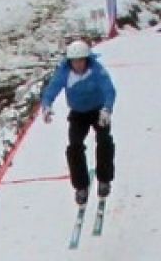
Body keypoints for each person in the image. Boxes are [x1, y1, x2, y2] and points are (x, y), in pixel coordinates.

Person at [40, 40, 117, 205]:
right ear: (70, 61)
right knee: (74, 147)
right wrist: (46, 106)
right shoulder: (64, 72)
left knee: (104, 141)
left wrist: (107, 109)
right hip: (78, 113)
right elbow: (51, 90)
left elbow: (109, 89)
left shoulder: (97, 70)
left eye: (82, 60)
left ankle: (104, 179)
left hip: (98, 110)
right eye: (75, 61)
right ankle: (81, 185)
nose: (79, 64)